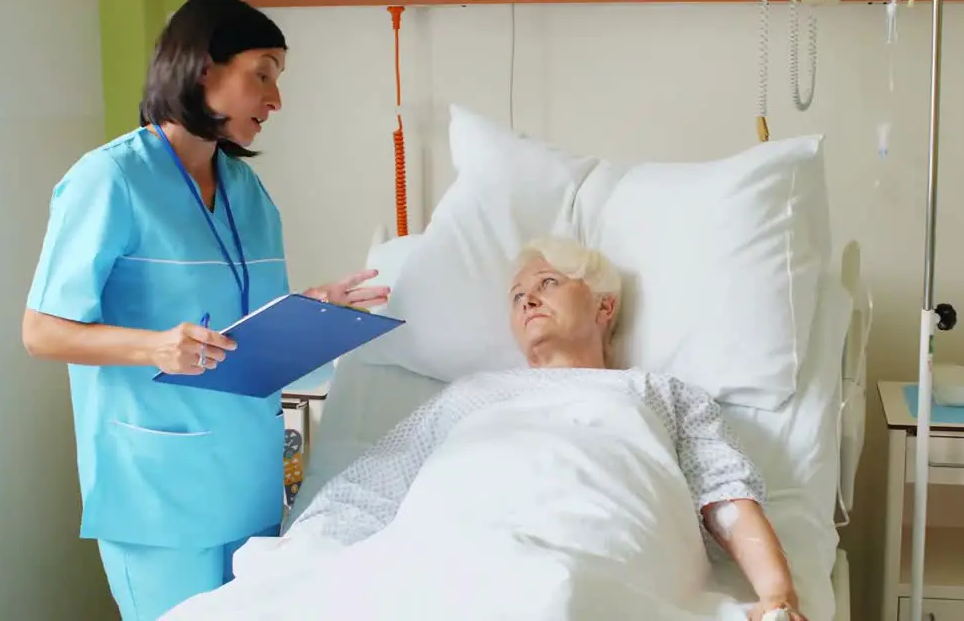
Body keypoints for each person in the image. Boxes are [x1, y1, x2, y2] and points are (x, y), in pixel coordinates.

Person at [164, 236, 807, 621]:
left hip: (594, 540)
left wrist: (776, 597)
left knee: (553, 593)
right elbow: (369, 493)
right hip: (453, 544)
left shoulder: (657, 393)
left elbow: (726, 495)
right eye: (517, 292)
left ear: (605, 307)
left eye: (548, 283)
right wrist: (298, 569)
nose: (526, 298)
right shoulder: (469, 395)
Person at [20, 0, 390, 620]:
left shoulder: (247, 189)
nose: (276, 99)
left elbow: (241, 318)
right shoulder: (110, 180)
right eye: (263, 74)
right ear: (202, 69)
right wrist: (155, 346)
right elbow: (41, 332)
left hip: (248, 479)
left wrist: (309, 305)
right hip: (160, 488)